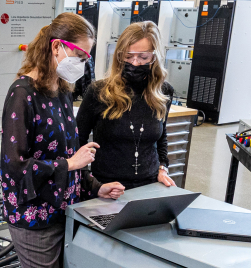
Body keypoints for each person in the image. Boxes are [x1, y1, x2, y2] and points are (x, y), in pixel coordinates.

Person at [0, 12, 124, 268]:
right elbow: (14, 167)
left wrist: (94, 186)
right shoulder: (23, 93)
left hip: (60, 211)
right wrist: (69, 163)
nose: (83, 64)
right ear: (56, 47)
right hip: (31, 218)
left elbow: (71, 159)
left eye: (88, 58)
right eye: (80, 55)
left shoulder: (60, 92)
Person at [75, 21, 177, 191]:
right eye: (128, 57)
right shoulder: (98, 92)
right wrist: (91, 183)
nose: (135, 63)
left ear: (155, 57)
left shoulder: (164, 92)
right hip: (107, 187)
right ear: (119, 56)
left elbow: (161, 136)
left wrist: (163, 168)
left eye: (143, 57)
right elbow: (77, 141)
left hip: (149, 185)